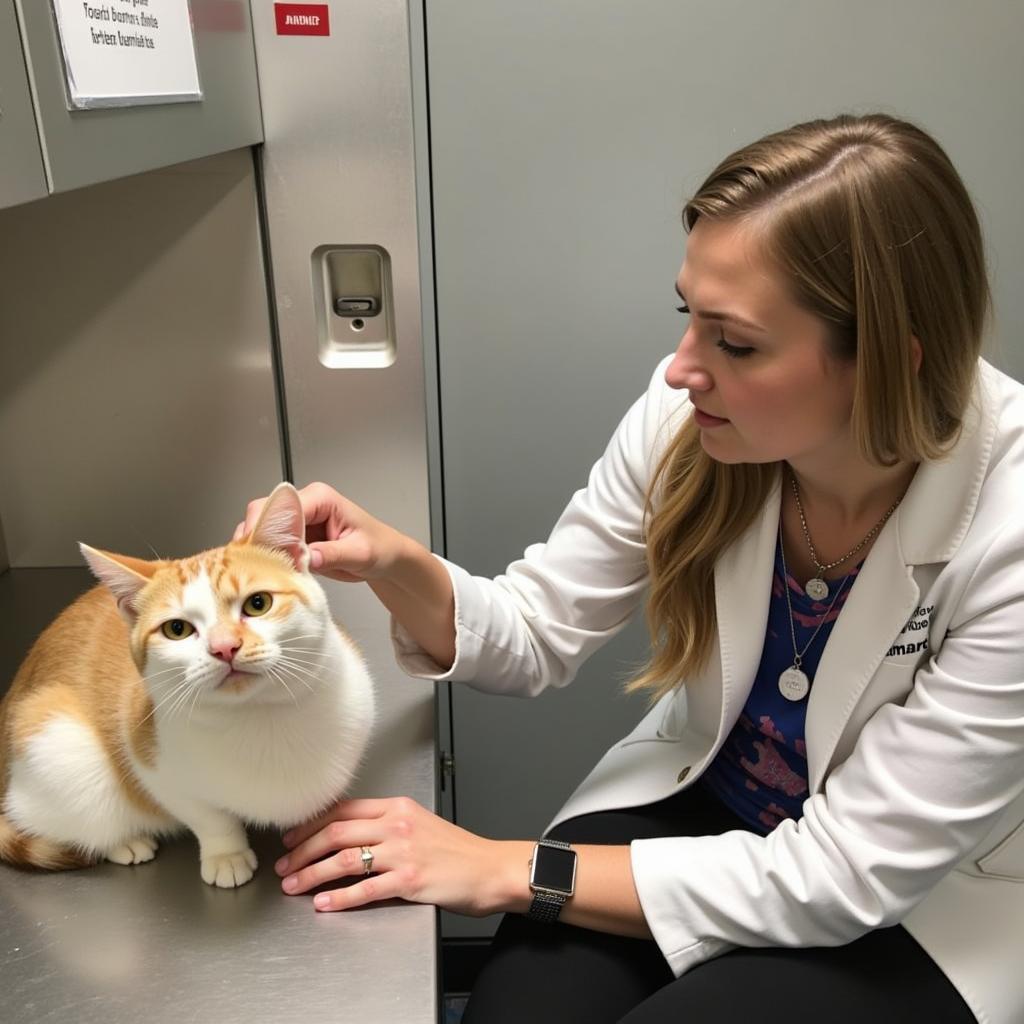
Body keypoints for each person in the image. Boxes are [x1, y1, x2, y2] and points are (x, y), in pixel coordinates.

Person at [235, 114, 1024, 1024]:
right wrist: (389, 561)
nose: (683, 369)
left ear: (888, 359)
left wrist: (504, 867)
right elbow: (533, 632)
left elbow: (844, 873)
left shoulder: (1002, 528)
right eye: (687, 315)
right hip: (708, 797)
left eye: (735, 342)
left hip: (917, 892)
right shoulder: (697, 420)